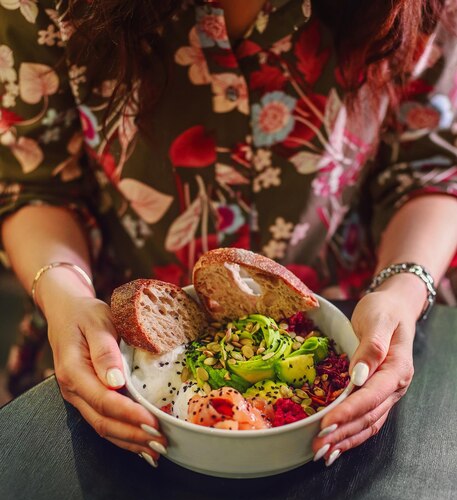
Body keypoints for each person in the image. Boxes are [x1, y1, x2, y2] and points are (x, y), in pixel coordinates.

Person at [1, 0, 456, 468]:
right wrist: (66, 298)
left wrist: (401, 290)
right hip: (110, 335)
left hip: (357, 320)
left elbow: (430, 169)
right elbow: (35, 183)